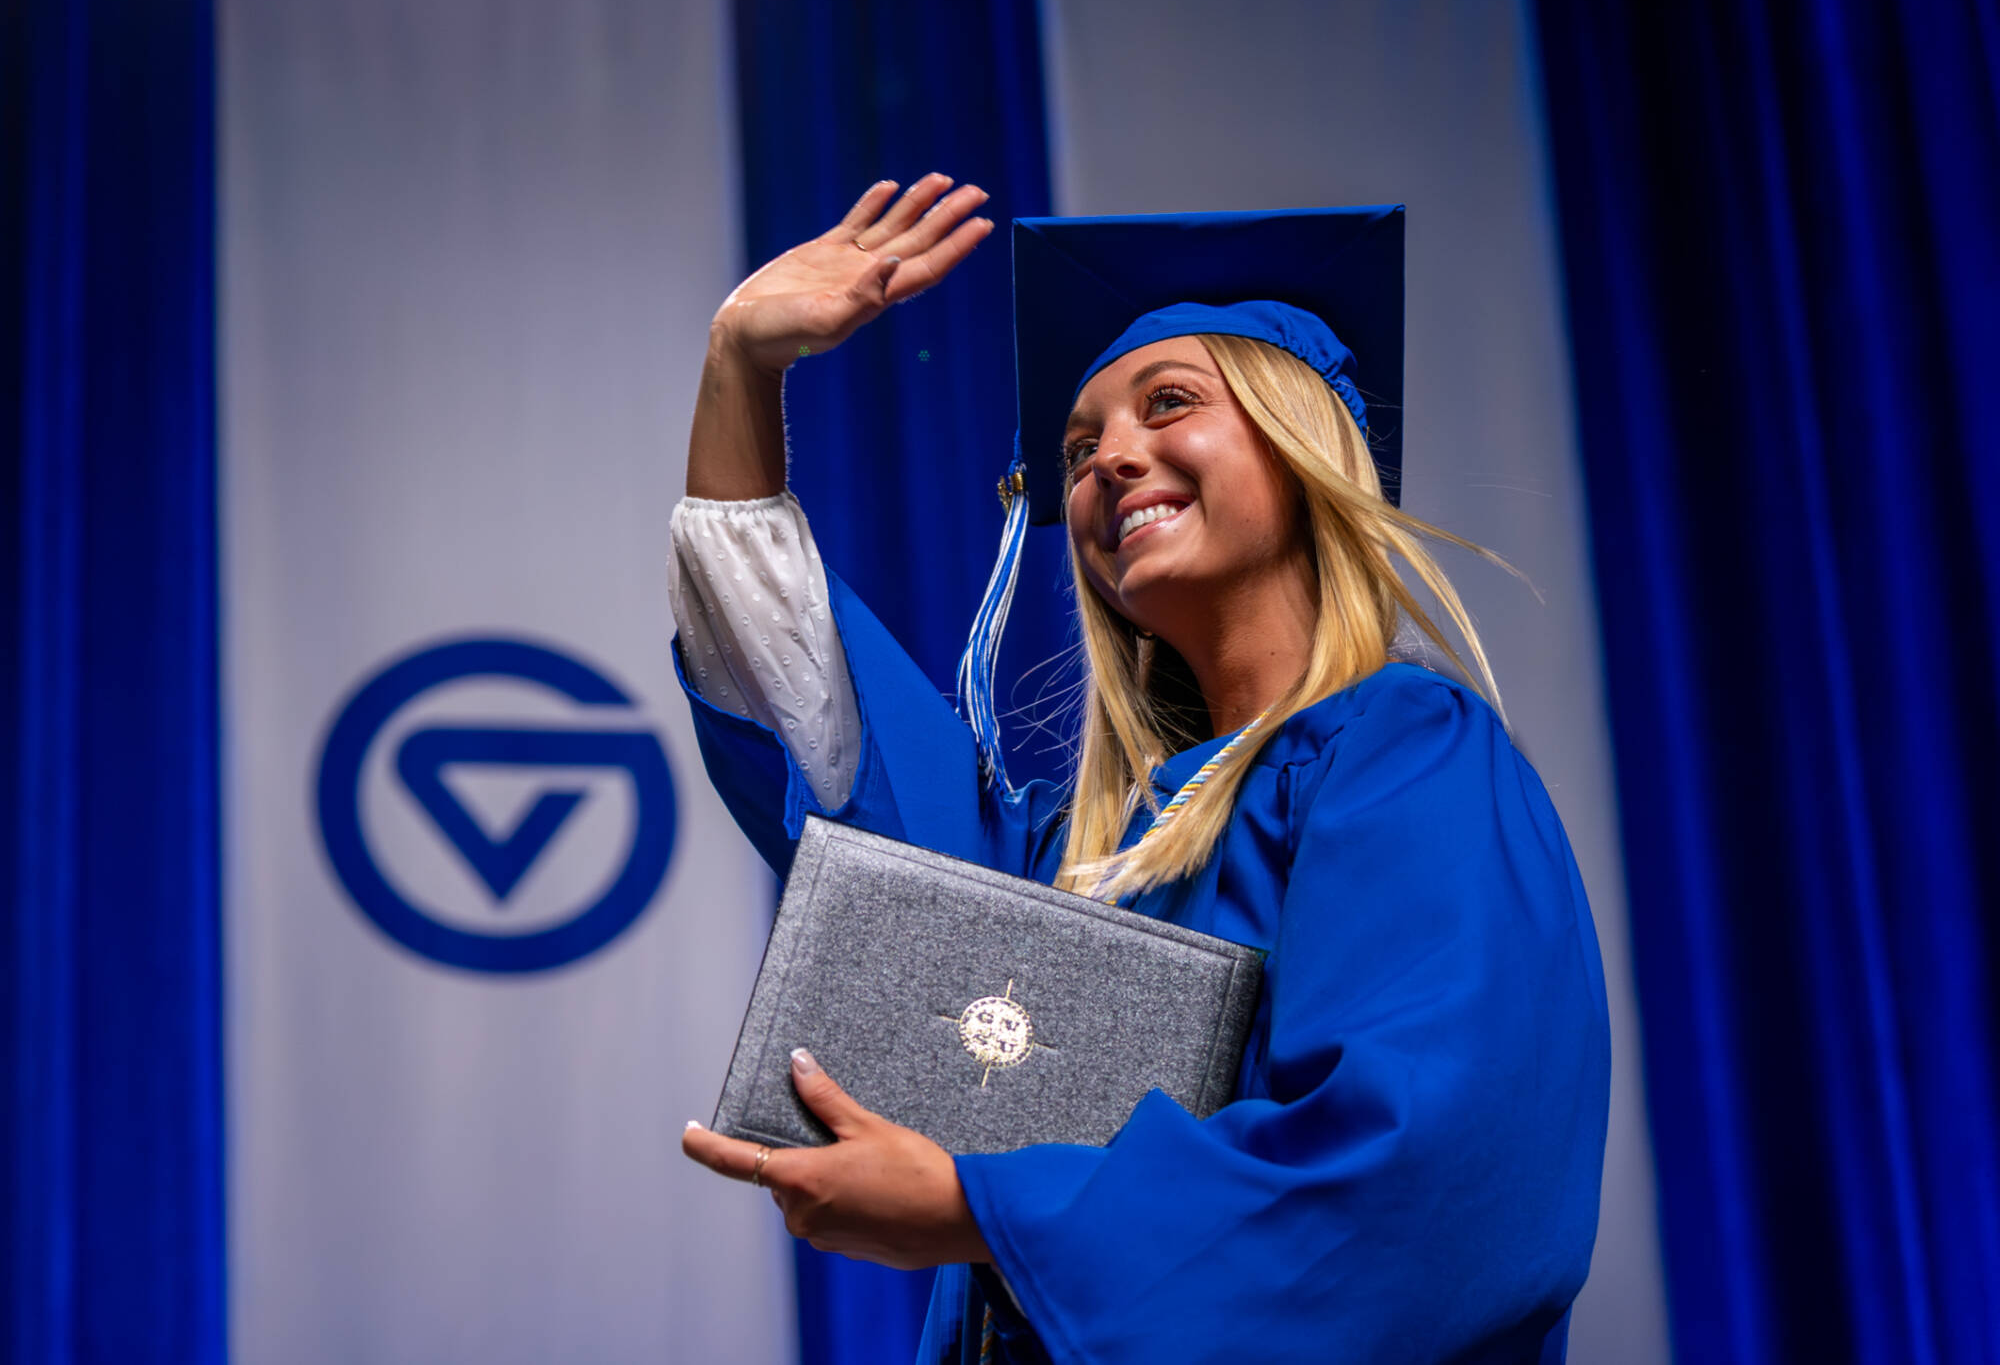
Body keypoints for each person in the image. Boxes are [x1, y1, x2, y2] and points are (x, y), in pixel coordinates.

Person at [676, 174, 1611, 1365]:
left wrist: (982, 1210)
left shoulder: (1400, 755)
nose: (1112, 459)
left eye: (1167, 404)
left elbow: (1433, 1170)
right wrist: (738, 368)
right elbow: (812, 723)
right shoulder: (1076, 860)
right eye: (1077, 448)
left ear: (1298, 441)